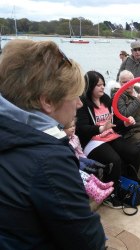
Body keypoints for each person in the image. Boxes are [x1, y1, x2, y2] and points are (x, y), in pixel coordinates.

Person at [0, 40, 105, 249]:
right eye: (74, 96)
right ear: (47, 101)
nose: (79, 103)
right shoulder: (49, 159)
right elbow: (87, 240)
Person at [76, 70, 140, 208]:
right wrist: (100, 129)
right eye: (98, 85)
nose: (102, 87)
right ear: (89, 86)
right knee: (114, 160)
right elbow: (81, 129)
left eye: (103, 84)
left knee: (133, 152)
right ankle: (110, 194)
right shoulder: (82, 103)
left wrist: (125, 123)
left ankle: (127, 185)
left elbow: (115, 124)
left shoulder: (106, 99)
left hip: (109, 136)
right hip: (92, 140)